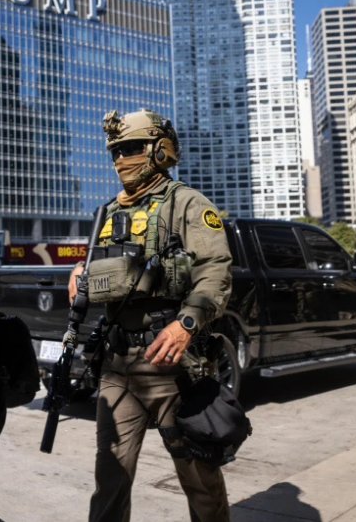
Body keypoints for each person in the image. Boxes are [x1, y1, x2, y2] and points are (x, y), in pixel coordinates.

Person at [67, 109, 234, 522]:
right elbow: (97, 266)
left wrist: (187, 323)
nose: (122, 159)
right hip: (117, 362)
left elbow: (215, 271)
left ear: (161, 149)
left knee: (199, 478)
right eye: (116, 151)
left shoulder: (187, 203)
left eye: (132, 148)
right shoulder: (106, 212)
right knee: (110, 477)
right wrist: (80, 273)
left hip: (171, 363)